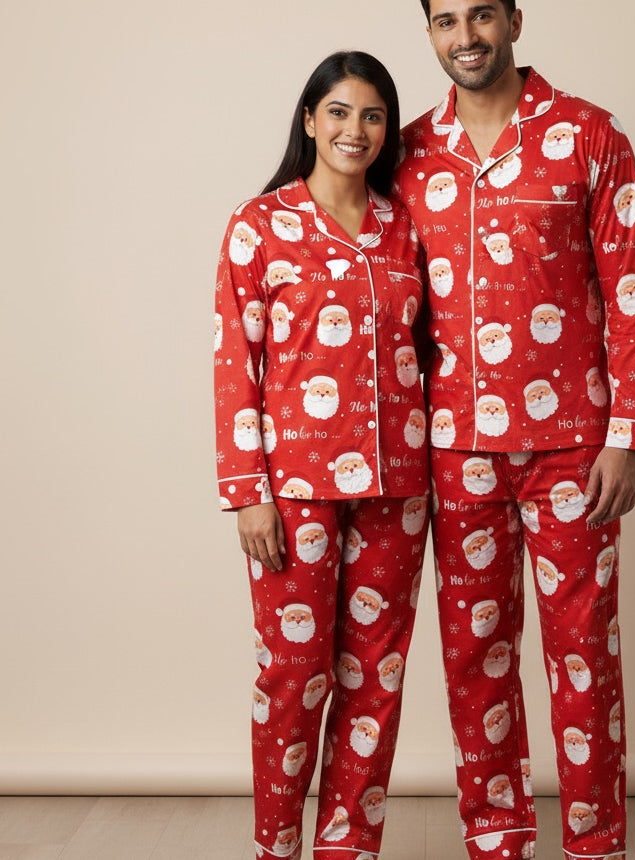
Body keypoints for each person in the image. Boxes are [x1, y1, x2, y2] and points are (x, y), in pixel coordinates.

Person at [395, 3, 635, 859]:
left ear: (514, 17)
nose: (464, 36)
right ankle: (497, 840)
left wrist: (629, 431)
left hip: (574, 446)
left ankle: (593, 844)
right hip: (453, 449)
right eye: (445, 20)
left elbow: (632, 290)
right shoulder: (404, 153)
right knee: (474, 658)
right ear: (429, 32)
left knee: (584, 655)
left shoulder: (591, 134)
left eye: (480, 14)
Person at [214, 51, 430, 860]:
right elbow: (234, 363)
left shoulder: (403, 225)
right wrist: (247, 492)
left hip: (398, 488)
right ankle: (277, 848)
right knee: (292, 677)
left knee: (375, 683)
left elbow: (432, 354)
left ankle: (350, 850)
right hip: (293, 489)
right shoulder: (259, 224)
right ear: (309, 120)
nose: (355, 129)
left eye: (373, 115)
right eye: (338, 112)